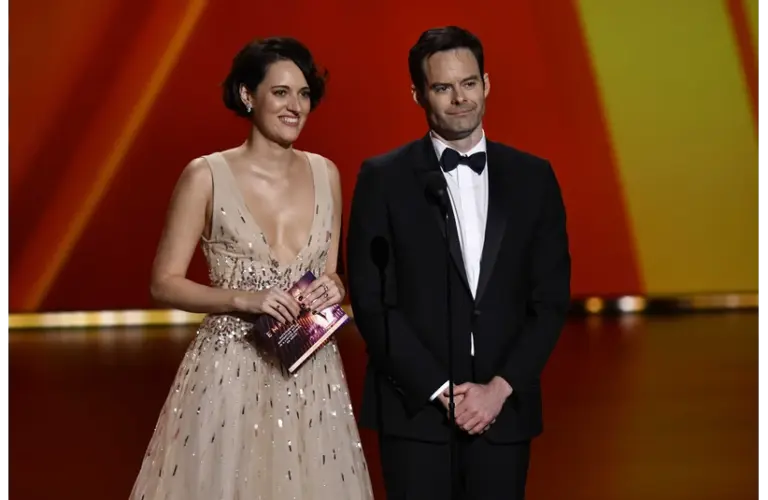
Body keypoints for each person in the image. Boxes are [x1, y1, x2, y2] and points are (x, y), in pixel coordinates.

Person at [130, 37, 373, 500]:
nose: (295, 106)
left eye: (303, 94)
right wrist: (243, 298)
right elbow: (163, 283)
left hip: (312, 374)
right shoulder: (205, 175)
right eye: (281, 92)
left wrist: (334, 286)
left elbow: (330, 274)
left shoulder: (328, 174)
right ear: (247, 95)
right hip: (229, 372)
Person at [346, 26, 571, 499]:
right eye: (443, 87)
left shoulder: (534, 177)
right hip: (414, 410)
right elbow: (371, 301)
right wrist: (437, 389)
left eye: (469, 83)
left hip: (503, 409)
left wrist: (499, 388)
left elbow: (550, 300)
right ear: (418, 94)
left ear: (487, 84)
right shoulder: (382, 179)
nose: (459, 99)